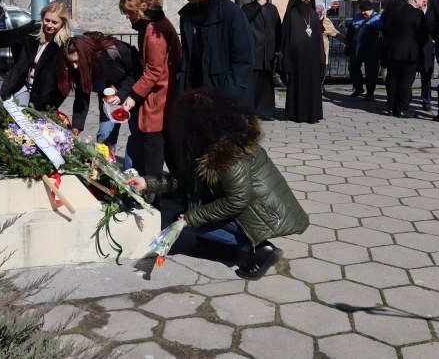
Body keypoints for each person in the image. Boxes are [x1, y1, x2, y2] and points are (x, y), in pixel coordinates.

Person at [125, 88, 309, 280]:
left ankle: (262, 249)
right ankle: (228, 242)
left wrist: (192, 218)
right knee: (192, 210)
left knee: (193, 222)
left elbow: (236, 200)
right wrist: (147, 183)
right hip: (255, 206)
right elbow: (189, 179)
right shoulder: (213, 141)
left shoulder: (229, 154)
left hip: (268, 214)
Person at [115, 0, 182, 177]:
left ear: (138, 9)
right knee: (168, 148)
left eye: (129, 12)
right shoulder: (158, 22)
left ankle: (154, 195)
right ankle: (174, 193)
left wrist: (133, 96)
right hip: (164, 94)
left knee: (154, 149)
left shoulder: (153, 31)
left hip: (159, 97)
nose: (128, 17)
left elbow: (154, 69)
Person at [171, 0, 254, 109]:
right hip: (194, 96)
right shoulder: (187, 16)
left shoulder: (232, 14)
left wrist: (226, 97)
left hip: (223, 98)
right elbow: (188, 57)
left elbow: (243, 62)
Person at [59, 32, 143, 170]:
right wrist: (77, 125)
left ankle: (131, 176)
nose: (74, 66)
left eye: (76, 61)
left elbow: (137, 72)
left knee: (136, 137)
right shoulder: (80, 68)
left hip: (132, 96)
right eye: (70, 62)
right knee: (104, 136)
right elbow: (82, 95)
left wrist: (122, 95)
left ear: (86, 55)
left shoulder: (114, 50)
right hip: (108, 102)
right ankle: (107, 173)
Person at [0, 1, 72, 111]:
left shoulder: (65, 46)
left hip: (42, 98)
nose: (49, 25)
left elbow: (66, 82)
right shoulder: (32, 29)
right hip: (19, 87)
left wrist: (52, 107)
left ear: (63, 23)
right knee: (18, 120)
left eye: (54, 22)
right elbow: (11, 36)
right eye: (47, 20)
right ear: (43, 17)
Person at [280, 0, 324, 123]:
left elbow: (318, 38)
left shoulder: (314, 15)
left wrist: (321, 57)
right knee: (297, 87)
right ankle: (296, 114)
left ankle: (312, 115)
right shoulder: (291, 14)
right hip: (296, 60)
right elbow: (285, 38)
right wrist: (286, 59)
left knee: (311, 88)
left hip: (312, 60)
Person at [381, 0, 427, 118]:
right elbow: (423, 34)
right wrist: (418, 45)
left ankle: (391, 107)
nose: (424, 3)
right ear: (415, 0)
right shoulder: (417, 14)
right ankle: (403, 108)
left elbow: (387, 30)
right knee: (406, 80)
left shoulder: (395, 13)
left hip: (393, 50)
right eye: (422, 1)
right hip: (410, 52)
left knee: (393, 78)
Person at [242, 0, 281, 120]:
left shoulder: (273, 10)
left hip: (268, 55)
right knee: (252, 85)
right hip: (254, 53)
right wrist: (257, 6)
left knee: (266, 86)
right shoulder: (247, 8)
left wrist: (278, 50)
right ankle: (250, 112)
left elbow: (278, 29)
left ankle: (266, 112)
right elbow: (244, 20)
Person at [344, 1, 383, 101]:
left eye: (365, 11)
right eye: (361, 10)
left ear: (371, 10)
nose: (363, 12)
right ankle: (359, 88)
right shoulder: (356, 18)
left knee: (371, 73)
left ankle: (370, 93)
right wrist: (347, 43)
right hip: (356, 49)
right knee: (353, 69)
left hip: (371, 51)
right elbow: (350, 32)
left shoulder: (378, 19)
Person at [409, 0, 435, 111]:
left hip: (427, 49)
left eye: (426, 1)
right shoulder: (412, 13)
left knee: (426, 76)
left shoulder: (430, 12)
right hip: (414, 48)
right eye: (422, 0)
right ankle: (407, 98)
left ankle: (426, 100)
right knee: (410, 75)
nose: (424, 3)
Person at [315, 4, 345, 91]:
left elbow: (336, 34)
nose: (318, 15)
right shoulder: (309, 20)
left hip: (322, 51)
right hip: (310, 52)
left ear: (323, 13)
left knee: (322, 71)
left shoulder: (326, 22)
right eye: (316, 13)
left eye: (320, 13)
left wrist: (348, 42)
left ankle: (320, 87)